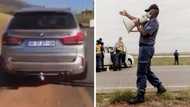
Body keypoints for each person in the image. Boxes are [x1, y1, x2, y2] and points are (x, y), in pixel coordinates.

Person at [120, 4, 166, 104]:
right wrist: (127, 15)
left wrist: (137, 25)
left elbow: (144, 33)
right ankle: (160, 87)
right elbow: (137, 19)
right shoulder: (149, 21)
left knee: (141, 72)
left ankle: (140, 96)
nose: (147, 12)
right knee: (147, 71)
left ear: (154, 11)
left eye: (149, 11)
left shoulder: (154, 23)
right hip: (146, 48)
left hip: (146, 48)